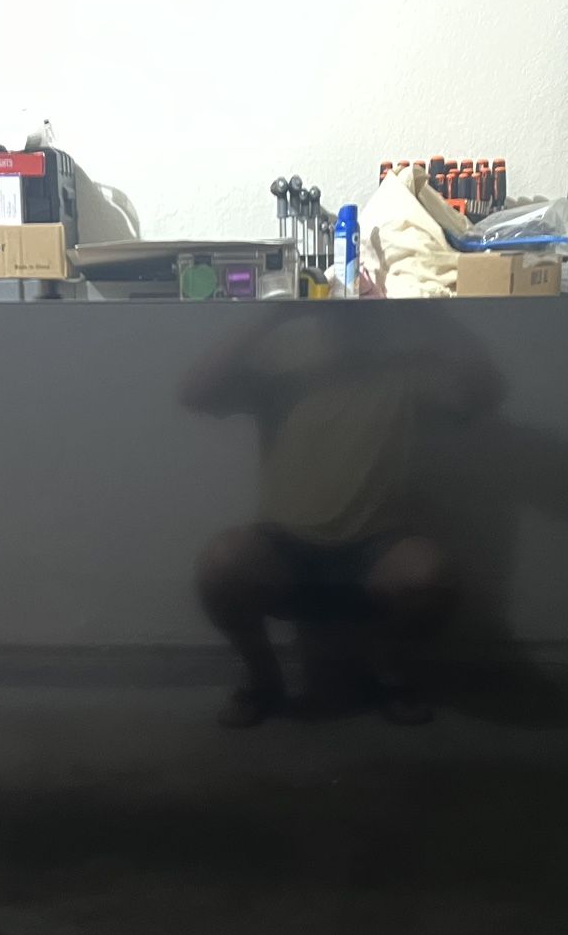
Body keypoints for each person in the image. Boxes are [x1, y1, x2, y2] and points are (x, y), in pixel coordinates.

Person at [181, 310, 503, 726]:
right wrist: (273, 313)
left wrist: (434, 313)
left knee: (430, 577)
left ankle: (392, 677)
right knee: (221, 565)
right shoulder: (283, 366)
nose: (347, 309)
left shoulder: (407, 369)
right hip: (284, 544)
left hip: (378, 547)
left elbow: (486, 395)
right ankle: (262, 682)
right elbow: (194, 393)